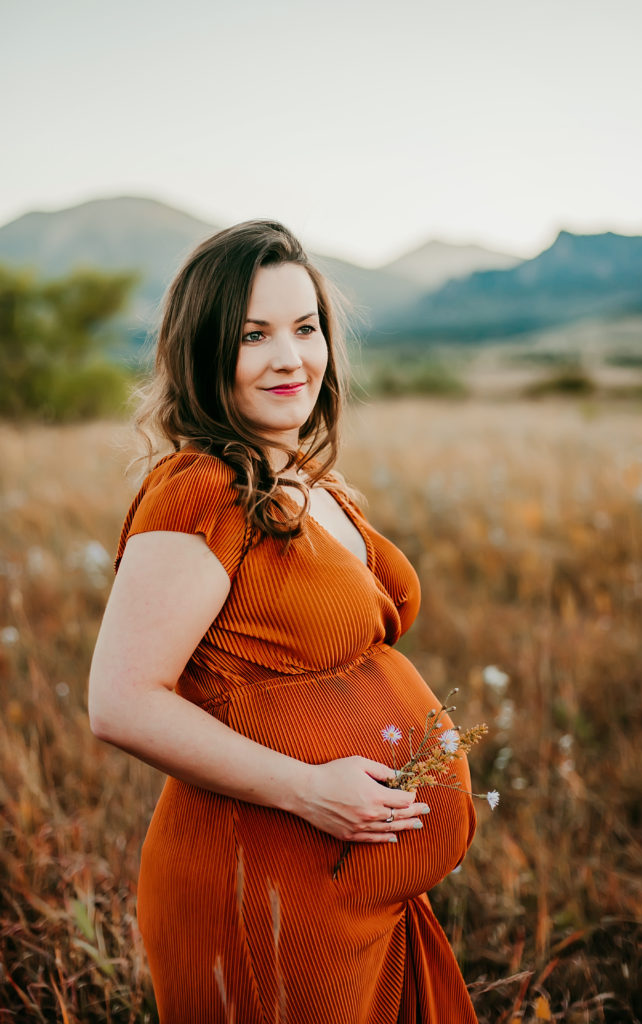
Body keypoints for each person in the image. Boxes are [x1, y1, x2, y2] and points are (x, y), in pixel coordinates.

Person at [88, 220, 478, 1024]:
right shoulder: (198, 487)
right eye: (252, 335)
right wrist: (308, 791)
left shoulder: (313, 484)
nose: (289, 357)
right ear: (203, 350)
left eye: (305, 329)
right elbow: (122, 700)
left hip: (357, 892)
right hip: (259, 886)